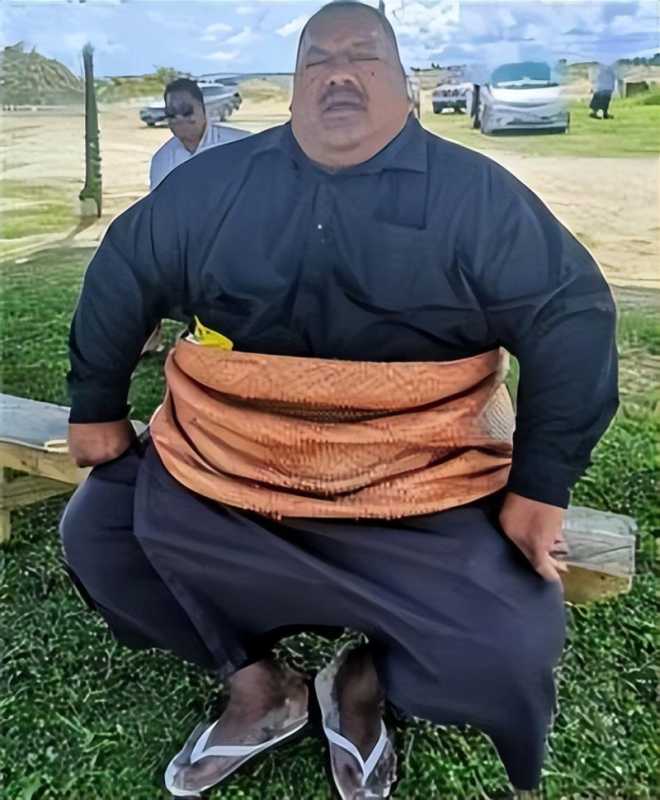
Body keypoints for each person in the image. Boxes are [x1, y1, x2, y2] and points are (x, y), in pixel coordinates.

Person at [60, 3, 619, 799]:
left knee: (508, 644)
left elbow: (569, 315)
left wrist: (542, 481)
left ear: (405, 84)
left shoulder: (477, 199)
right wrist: (95, 407)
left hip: (422, 487)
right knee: (99, 532)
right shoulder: (215, 188)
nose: (339, 75)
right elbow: (126, 267)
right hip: (228, 471)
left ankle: (360, 683)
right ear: (293, 89)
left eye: (364, 57)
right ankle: (260, 687)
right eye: (317, 61)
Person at [142, 78, 251, 356]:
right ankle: (149, 336)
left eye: (186, 111)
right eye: (171, 114)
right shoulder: (162, 160)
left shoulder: (241, 144)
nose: (179, 119)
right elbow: (161, 216)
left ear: (204, 109)